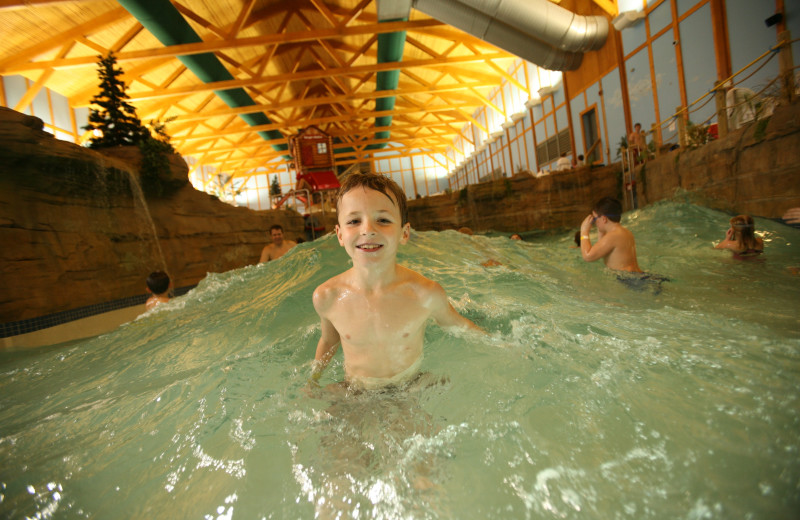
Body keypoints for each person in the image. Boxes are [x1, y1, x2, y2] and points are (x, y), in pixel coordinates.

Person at [311, 173, 483, 390]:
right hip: (355, 389)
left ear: (404, 233)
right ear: (339, 234)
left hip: (409, 386)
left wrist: (502, 344)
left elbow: (459, 325)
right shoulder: (327, 296)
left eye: (382, 220)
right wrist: (313, 379)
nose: (367, 230)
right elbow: (328, 341)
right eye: (354, 221)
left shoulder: (424, 294)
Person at [579, 197, 641, 272]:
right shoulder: (625, 232)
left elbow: (587, 256)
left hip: (629, 280)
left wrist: (584, 231)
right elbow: (601, 250)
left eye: (595, 219)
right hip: (638, 276)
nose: (595, 222)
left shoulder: (612, 236)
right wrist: (601, 229)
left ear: (604, 219)